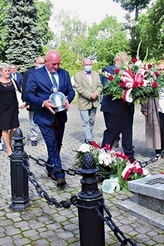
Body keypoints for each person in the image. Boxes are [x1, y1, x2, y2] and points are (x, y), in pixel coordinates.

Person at [25, 50, 75, 187]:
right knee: (51, 144)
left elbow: (71, 90)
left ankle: (50, 167)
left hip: (60, 116)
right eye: (53, 64)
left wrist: (67, 99)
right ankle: (59, 175)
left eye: (58, 64)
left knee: (57, 144)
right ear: (46, 62)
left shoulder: (64, 73)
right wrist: (43, 102)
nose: (56, 67)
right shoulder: (35, 75)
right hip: (44, 117)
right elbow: (28, 95)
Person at [100, 52, 136, 162]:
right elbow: (108, 87)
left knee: (127, 133)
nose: (126, 64)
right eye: (123, 62)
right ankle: (103, 155)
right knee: (112, 132)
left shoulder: (131, 71)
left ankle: (130, 157)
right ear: (116, 61)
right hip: (112, 108)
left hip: (127, 108)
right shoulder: (107, 70)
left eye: (127, 62)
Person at [0, 63, 20, 156]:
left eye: (8, 70)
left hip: (13, 108)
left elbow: (19, 93)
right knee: (4, 129)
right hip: (1, 110)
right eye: (6, 71)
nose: (8, 72)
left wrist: (23, 103)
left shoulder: (13, 81)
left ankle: (8, 142)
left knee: (14, 128)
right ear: (1, 72)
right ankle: (9, 149)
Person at [73, 58, 103, 144]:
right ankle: (89, 139)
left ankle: (88, 135)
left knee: (91, 121)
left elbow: (100, 86)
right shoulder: (78, 75)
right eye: (86, 65)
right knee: (85, 121)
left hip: (94, 102)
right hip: (84, 102)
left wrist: (96, 94)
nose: (88, 66)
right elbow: (79, 89)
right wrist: (90, 95)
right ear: (83, 65)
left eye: (90, 64)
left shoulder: (96, 74)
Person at [21, 56, 45, 146]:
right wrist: (27, 102)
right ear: (36, 63)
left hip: (44, 101)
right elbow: (25, 88)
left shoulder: (46, 72)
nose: (42, 65)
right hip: (32, 101)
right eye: (40, 63)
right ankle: (33, 137)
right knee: (33, 121)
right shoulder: (28, 73)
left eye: (43, 63)